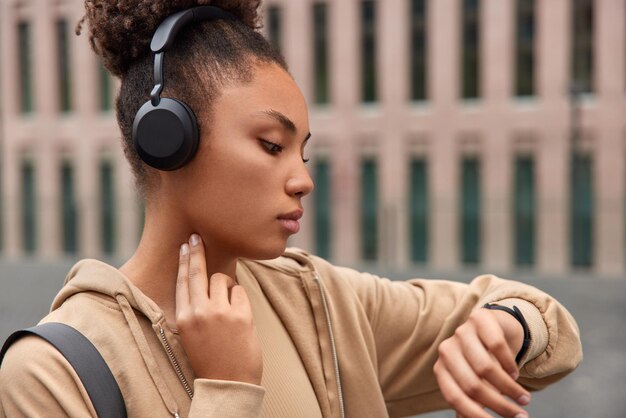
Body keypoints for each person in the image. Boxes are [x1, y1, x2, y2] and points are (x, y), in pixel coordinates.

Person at [0, 1, 582, 417]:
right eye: (272, 146)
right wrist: (228, 389)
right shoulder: (50, 375)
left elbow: (547, 322)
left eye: (303, 152)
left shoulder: (320, 302)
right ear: (167, 142)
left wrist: (503, 330)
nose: (303, 180)